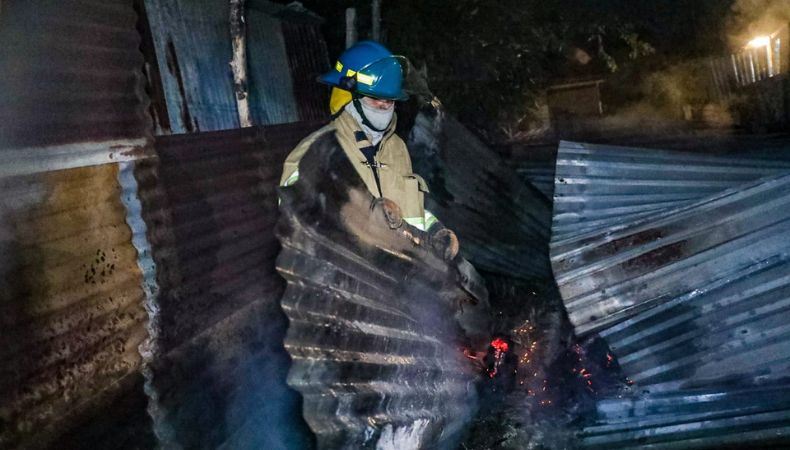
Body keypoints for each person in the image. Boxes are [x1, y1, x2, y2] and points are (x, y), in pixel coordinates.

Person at [279, 40, 458, 260]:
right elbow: (296, 217)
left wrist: (433, 230)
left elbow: (409, 214)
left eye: (389, 100)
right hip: (347, 270)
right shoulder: (318, 148)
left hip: (400, 272)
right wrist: (364, 215)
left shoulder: (396, 148)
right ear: (348, 96)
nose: (384, 107)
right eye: (375, 98)